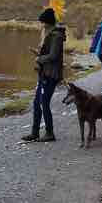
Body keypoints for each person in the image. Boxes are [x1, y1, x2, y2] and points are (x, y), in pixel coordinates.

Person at [22, 8, 66, 143]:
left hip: (51, 74)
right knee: (37, 103)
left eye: (42, 23)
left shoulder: (56, 36)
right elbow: (48, 54)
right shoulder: (49, 34)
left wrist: (39, 59)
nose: (41, 25)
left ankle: (49, 133)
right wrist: (38, 53)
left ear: (48, 23)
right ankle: (34, 133)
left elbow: (54, 56)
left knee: (43, 103)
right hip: (44, 73)